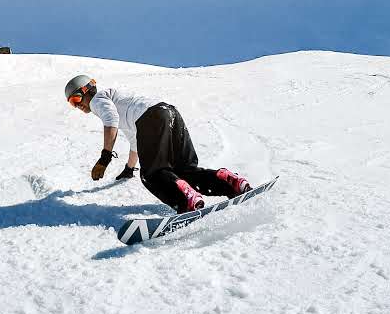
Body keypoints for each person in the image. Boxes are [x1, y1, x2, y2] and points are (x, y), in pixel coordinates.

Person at [64, 75, 252, 213]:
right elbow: (135, 140)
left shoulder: (98, 100)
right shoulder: (121, 103)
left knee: (152, 175)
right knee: (185, 171)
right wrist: (129, 168)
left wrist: (104, 158)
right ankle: (231, 183)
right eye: (72, 104)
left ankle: (186, 201)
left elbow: (110, 119)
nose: (77, 106)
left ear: (86, 91)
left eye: (76, 99)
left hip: (152, 118)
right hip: (169, 113)